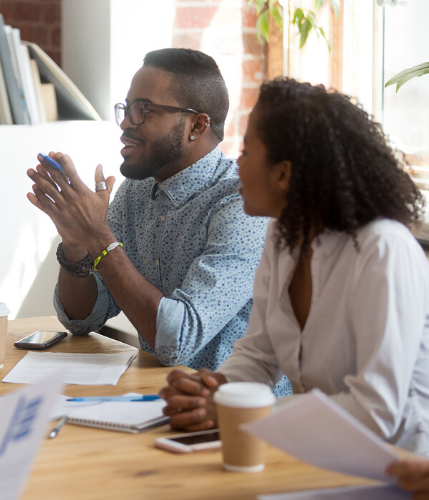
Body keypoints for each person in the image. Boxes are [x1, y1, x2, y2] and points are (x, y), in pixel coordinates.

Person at [160, 78, 429, 457]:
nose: (238, 162)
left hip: (396, 471)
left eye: (248, 151)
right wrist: (212, 392)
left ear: (284, 174)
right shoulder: (283, 235)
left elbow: (376, 412)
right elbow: (258, 356)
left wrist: (239, 411)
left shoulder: (382, 249)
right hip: (316, 457)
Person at [27, 48, 281, 383]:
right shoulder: (136, 192)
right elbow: (83, 319)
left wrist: (99, 237)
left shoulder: (242, 205)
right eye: (126, 108)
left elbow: (178, 341)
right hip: (157, 399)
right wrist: (76, 245)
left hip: (233, 417)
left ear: (197, 125)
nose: (124, 123)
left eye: (142, 110)